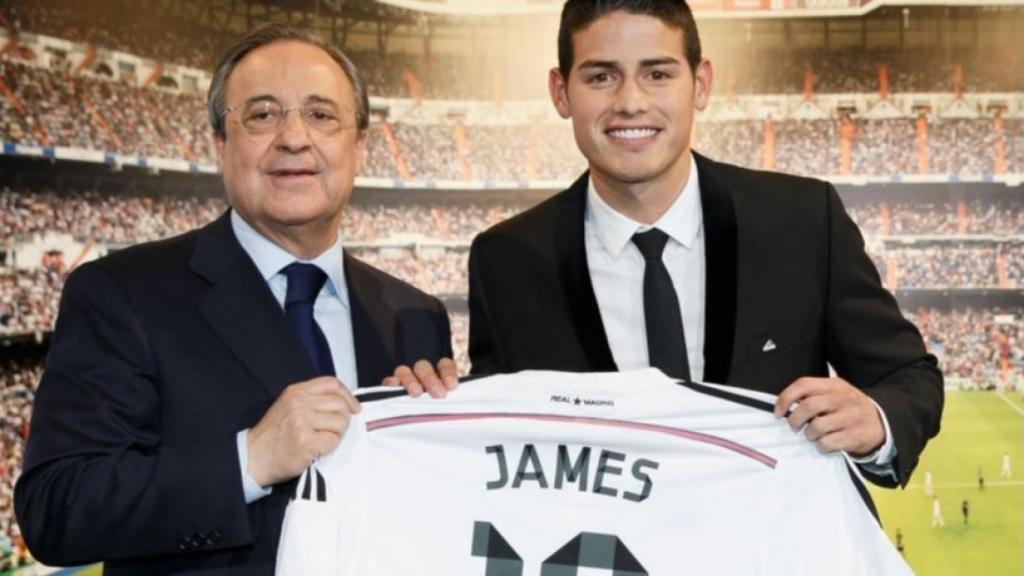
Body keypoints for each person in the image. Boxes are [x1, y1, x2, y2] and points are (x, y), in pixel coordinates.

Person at [404, 0, 943, 489]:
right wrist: (420, 410)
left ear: (700, 84)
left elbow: (907, 377)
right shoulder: (507, 259)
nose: (631, 102)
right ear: (560, 92)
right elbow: (502, 434)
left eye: (657, 73)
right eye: (600, 77)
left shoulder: (802, 220)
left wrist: (876, 422)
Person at [14, 24, 455, 575]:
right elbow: (56, 509)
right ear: (221, 143)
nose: (295, 137)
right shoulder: (121, 293)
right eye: (263, 114)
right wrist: (249, 459)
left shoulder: (416, 314)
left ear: (358, 145)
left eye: (321, 114)